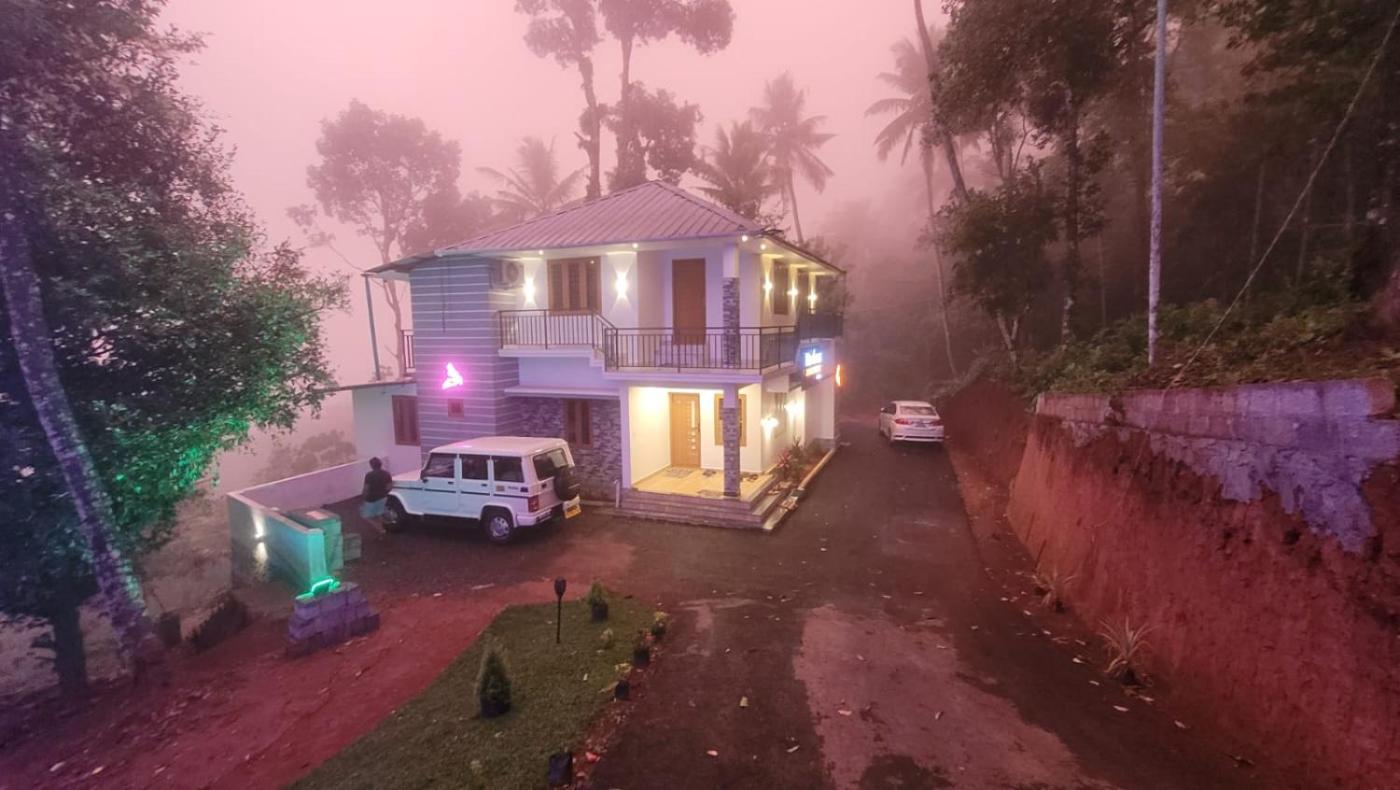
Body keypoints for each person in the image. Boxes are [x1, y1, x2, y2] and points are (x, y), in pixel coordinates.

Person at [360, 457, 393, 529]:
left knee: (365, 516)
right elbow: (389, 487)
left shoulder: (369, 475)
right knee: (379, 513)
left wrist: (363, 499)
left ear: (371, 466)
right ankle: (383, 526)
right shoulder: (386, 474)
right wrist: (384, 492)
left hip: (371, 499)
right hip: (383, 497)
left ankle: (379, 527)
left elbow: (366, 489)